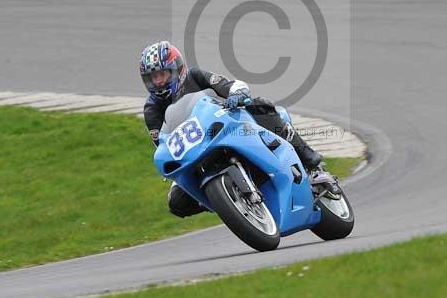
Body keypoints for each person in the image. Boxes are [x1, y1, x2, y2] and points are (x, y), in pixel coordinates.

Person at [139, 41, 324, 218]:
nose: (158, 82)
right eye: (153, 78)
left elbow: (226, 84)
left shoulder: (194, 76)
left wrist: (236, 94)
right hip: (195, 152)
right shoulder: (151, 110)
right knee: (176, 202)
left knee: (261, 106)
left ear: (177, 68)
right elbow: (163, 143)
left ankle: (312, 163)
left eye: (162, 74)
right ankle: (224, 200)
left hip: (227, 124)